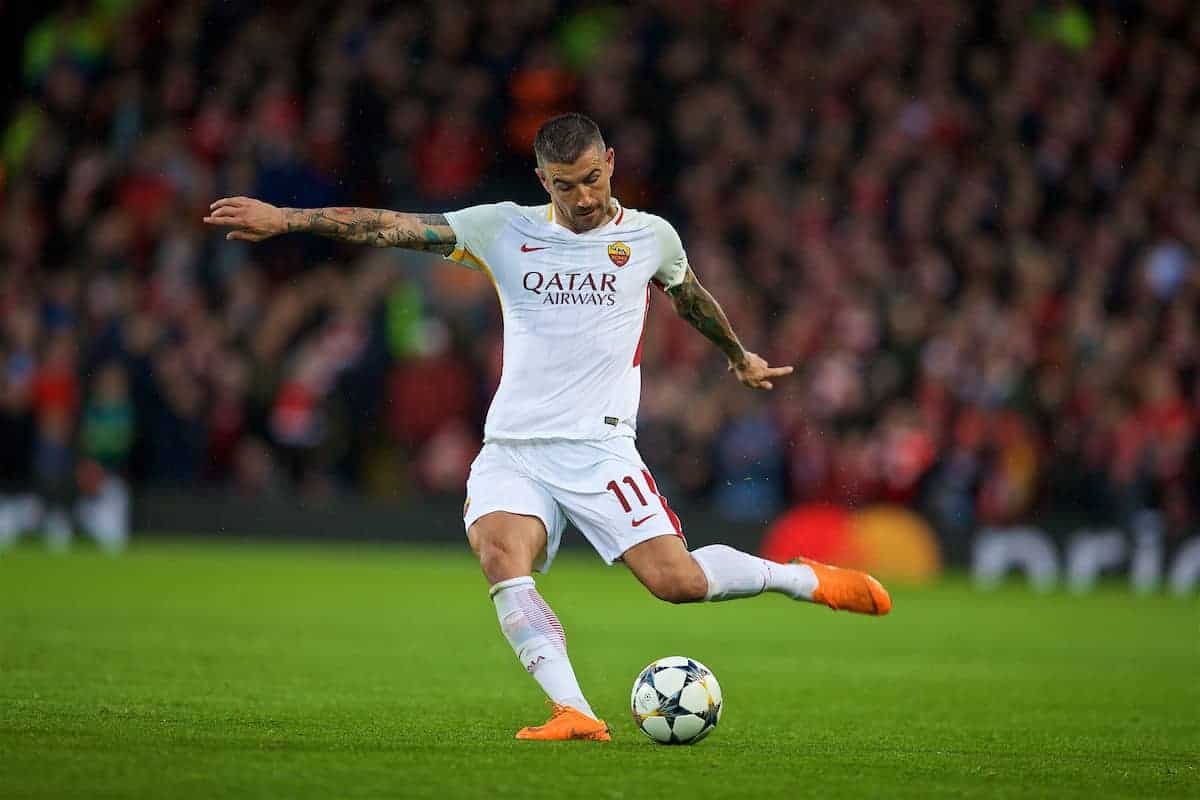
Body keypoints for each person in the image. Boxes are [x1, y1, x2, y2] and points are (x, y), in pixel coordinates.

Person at [204, 112, 891, 742]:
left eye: (593, 178)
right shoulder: (502, 228)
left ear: (612, 162)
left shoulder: (650, 237)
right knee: (502, 557)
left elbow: (690, 296)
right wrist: (287, 219)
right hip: (514, 449)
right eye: (566, 185)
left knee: (675, 583)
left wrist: (738, 356)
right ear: (543, 180)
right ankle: (576, 711)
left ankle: (798, 579)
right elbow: (389, 224)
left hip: (600, 450)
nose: (584, 196)